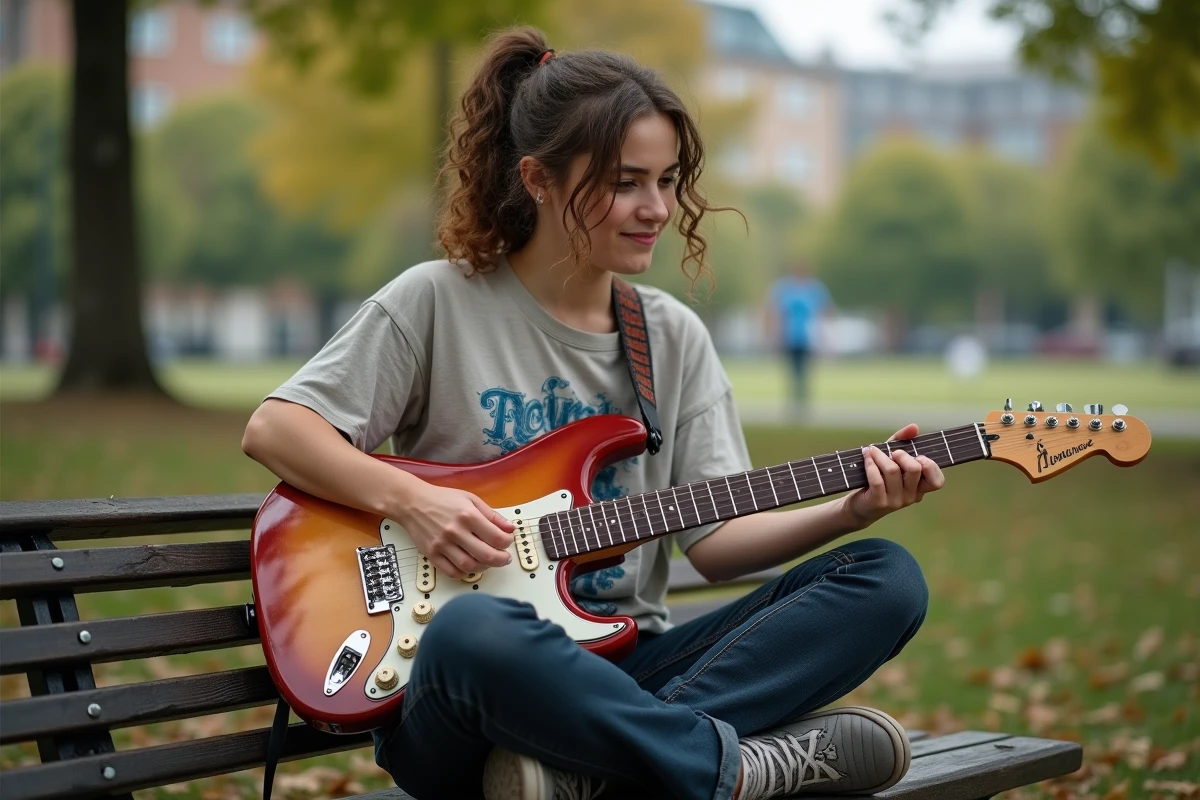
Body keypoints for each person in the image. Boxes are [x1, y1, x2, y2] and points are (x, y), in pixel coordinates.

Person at [241, 27, 945, 800]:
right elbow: (277, 428)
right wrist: (415, 500)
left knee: (887, 579)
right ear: (539, 179)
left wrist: (849, 511)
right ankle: (728, 768)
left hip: (633, 663)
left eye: (668, 180)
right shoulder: (437, 301)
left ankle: (591, 771)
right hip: (461, 690)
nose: (657, 209)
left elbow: (715, 543)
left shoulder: (669, 336)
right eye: (626, 182)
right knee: (474, 632)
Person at [767, 263, 832, 416]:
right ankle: (794, 404)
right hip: (789, 336)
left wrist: (825, 335)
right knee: (792, 371)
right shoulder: (784, 288)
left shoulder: (814, 288)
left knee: (804, 371)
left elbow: (825, 309)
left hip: (807, 337)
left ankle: (802, 404)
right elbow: (775, 312)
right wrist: (774, 334)